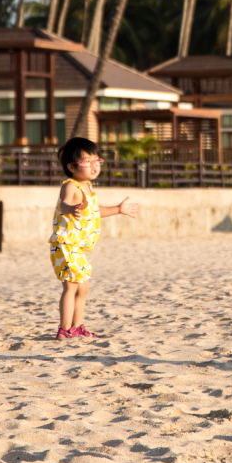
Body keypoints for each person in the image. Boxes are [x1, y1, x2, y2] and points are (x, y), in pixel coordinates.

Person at [50, 136, 139, 340]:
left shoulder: (88, 188)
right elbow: (63, 204)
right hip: (66, 244)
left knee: (84, 287)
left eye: (96, 160)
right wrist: (70, 209)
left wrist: (118, 209)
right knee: (71, 286)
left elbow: (95, 211)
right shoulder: (70, 185)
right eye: (87, 161)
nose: (94, 165)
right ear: (72, 166)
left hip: (79, 248)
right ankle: (64, 329)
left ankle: (77, 326)